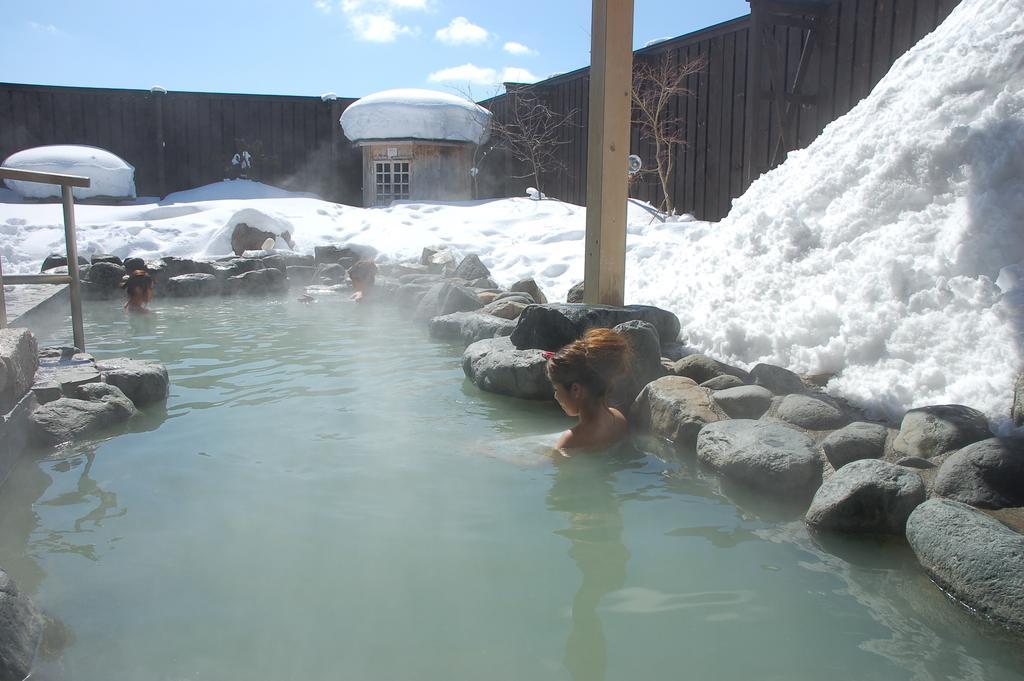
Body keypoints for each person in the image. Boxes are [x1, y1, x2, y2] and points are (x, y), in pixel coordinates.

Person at [545, 328, 632, 452]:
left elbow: (545, 466)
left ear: (576, 390)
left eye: (556, 389)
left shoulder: (570, 439)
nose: (555, 396)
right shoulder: (619, 420)